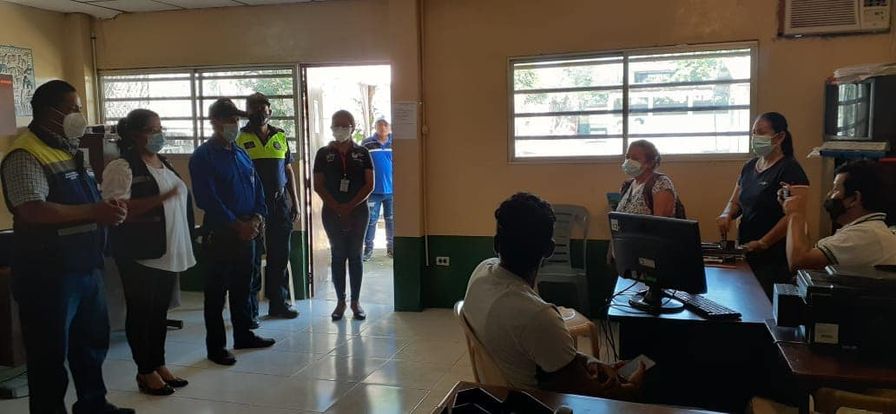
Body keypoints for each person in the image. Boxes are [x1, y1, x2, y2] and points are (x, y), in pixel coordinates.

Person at [0, 80, 134, 413]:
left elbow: (85, 201)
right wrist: (95, 212)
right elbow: (32, 209)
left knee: (91, 345)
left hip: (86, 265)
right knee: (49, 355)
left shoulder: (69, 149)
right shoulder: (25, 153)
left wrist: (108, 210)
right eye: (73, 109)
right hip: (48, 274)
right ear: (50, 113)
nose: (79, 115)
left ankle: (93, 405)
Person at [463, 192, 645, 400]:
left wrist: (588, 361)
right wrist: (631, 389)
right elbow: (589, 393)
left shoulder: (481, 272)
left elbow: (551, 353)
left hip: (498, 395)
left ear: (496, 243)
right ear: (549, 249)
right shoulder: (537, 316)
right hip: (537, 403)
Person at [102, 109, 195, 396]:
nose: (159, 135)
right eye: (152, 130)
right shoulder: (122, 167)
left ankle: (158, 363)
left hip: (168, 249)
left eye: (160, 129)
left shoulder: (163, 162)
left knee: (158, 313)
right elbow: (117, 211)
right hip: (140, 252)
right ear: (134, 134)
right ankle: (144, 371)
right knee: (142, 313)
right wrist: (159, 199)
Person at [190, 98, 275, 366]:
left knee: (242, 287)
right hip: (222, 233)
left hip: (249, 231)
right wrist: (237, 225)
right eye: (229, 120)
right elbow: (207, 199)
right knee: (216, 294)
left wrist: (258, 217)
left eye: (237, 120)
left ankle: (243, 335)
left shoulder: (240, 153)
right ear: (214, 122)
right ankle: (216, 347)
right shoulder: (203, 156)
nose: (234, 125)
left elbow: (257, 188)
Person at [717, 112, 809, 297]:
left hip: (775, 256)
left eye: (760, 133)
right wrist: (727, 214)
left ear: (780, 137)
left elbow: (793, 215)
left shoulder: (790, 169)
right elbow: (735, 201)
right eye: (753, 133)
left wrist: (763, 243)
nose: (755, 138)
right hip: (748, 250)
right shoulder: (750, 166)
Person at [236, 92, 300, 325]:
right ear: (248, 111)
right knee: (252, 259)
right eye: (254, 109)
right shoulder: (239, 138)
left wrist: (295, 202)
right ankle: (251, 311)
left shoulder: (280, 135)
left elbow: (288, 170)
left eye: (263, 109)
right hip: (251, 206)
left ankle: (279, 304)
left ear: (270, 112)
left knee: (279, 256)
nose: (260, 113)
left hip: (280, 203)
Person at [313, 110, 374, 321]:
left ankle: (356, 302)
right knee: (338, 255)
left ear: (352, 127)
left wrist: (349, 206)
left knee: (355, 255)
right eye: (336, 125)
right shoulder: (323, 154)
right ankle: (340, 302)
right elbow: (318, 185)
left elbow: (369, 184)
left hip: (359, 212)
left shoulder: (363, 153)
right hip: (332, 212)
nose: (339, 129)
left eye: (344, 125)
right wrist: (338, 208)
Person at [783, 160, 896, 270]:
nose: (829, 194)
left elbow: (799, 261)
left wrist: (795, 214)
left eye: (835, 189)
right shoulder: (867, 229)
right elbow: (807, 251)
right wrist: (794, 214)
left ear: (855, 198)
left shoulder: (864, 234)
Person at [616, 139, 681, 218]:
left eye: (635, 159)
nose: (629, 161)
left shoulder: (661, 184)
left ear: (650, 163)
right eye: (627, 157)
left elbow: (661, 223)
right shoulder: (627, 185)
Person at [362, 118, 394, 261]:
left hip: (392, 192)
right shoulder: (367, 144)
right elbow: (360, 165)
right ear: (375, 127)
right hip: (372, 191)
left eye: (385, 125)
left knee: (391, 221)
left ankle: (391, 249)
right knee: (371, 221)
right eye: (380, 125)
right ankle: (368, 250)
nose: (383, 127)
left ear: (389, 127)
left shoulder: (395, 142)